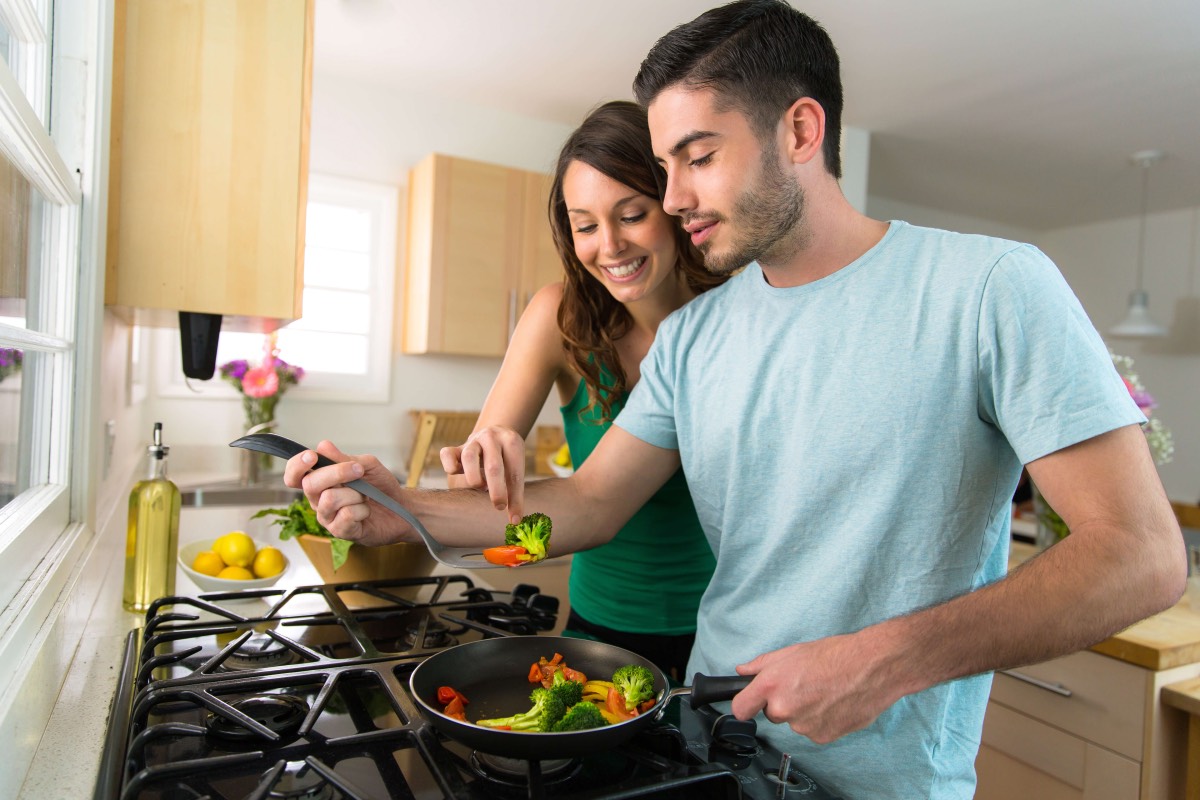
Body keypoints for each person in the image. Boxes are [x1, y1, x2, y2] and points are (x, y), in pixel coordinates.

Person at [285, 2, 1186, 797]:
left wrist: (882, 660)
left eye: (697, 158)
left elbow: (1141, 556)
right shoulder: (693, 340)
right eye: (663, 168)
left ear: (800, 130)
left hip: (875, 779)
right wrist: (408, 513)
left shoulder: (989, 287)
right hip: (704, 745)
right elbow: (592, 507)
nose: (672, 199)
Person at [439, 100, 727, 680]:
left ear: (672, 205)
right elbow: (476, 492)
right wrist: (484, 455)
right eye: (587, 225)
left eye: (632, 214)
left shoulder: (734, 317)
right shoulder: (560, 318)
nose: (610, 246)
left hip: (722, 638)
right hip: (597, 628)